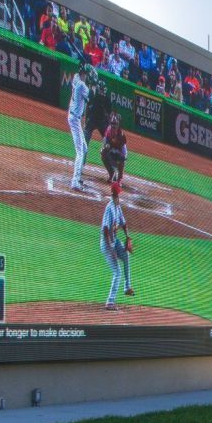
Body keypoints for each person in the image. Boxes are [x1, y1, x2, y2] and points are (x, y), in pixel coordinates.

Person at [100, 181, 134, 310]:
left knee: (125, 256)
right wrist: (111, 248)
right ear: (114, 193)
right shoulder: (109, 208)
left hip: (114, 242)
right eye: (117, 193)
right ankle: (110, 302)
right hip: (107, 243)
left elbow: (123, 223)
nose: (118, 195)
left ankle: (127, 287)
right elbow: (105, 230)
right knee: (117, 272)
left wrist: (127, 236)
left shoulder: (117, 206)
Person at [68, 62, 94, 191]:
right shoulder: (82, 85)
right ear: (84, 74)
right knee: (80, 151)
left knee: (84, 148)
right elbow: (92, 99)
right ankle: (75, 182)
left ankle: (77, 178)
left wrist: (85, 68)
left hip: (73, 117)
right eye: (88, 74)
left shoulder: (76, 78)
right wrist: (94, 84)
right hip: (75, 119)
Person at [100, 112, 129, 183]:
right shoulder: (108, 131)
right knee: (103, 153)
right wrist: (106, 147)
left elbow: (124, 153)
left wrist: (122, 157)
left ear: (118, 124)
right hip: (111, 153)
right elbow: (103, 145)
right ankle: (112, 174)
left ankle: (120, 178)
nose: (113, 125)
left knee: (122, 158)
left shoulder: (121, 135)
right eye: (112, 123)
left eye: (115, 124)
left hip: (119, 155)